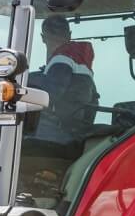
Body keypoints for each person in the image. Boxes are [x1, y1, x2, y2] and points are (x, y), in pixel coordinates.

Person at [32, 15, 99, 145]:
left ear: (43, 37)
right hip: (75, 128)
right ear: (69, 35)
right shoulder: (81, 64)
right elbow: (94, 100)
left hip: (57, 131)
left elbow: (49, 96)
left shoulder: (61, 61)